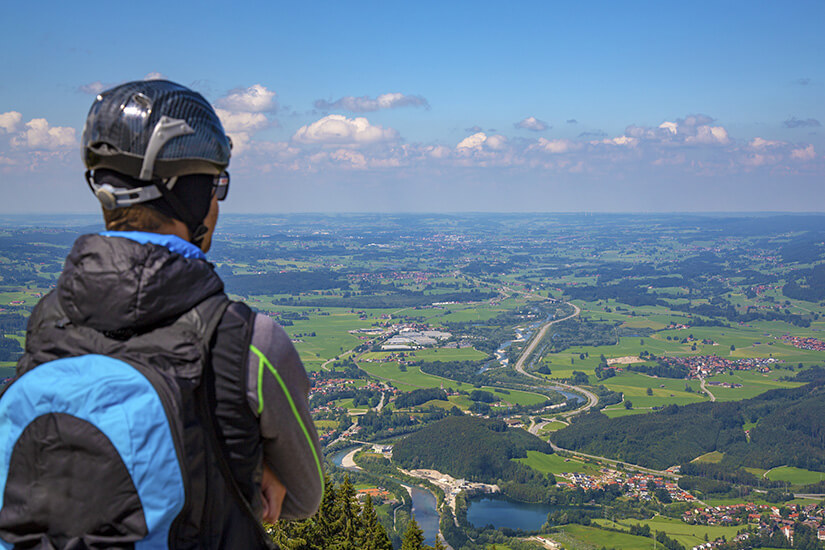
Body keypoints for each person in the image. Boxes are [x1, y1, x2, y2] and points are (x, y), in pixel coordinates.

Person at [1, 80, 323, 548]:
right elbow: (302, 499)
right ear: (188, 193)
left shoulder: (48, 321)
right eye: (215, 184)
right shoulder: (248, 342)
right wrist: (252, 470)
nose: (217, 202)